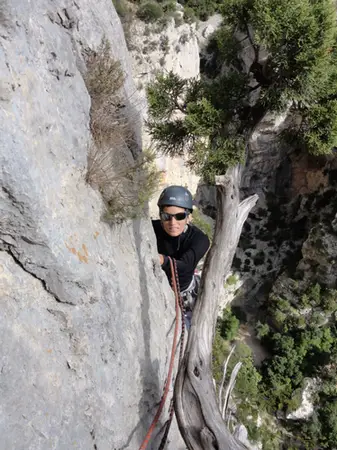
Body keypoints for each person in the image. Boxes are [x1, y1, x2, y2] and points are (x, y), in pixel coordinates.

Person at [152, 185, 210, 323]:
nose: (173, 223)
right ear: (160, 216)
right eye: (167, 216)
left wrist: (162, 260)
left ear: (188, 217)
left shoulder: (199, 240)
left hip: (184, 294)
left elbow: (185, 266)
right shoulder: (151, 228)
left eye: (179, 216)